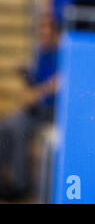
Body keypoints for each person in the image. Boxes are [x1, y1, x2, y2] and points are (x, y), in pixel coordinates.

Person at [0, 17, 60, 200]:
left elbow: (57, 83)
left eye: (46, 32)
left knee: (19, 128)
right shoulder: (43, 54)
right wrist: (26, 73)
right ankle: (4, 178)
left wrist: (38, 93)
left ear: (55, 34)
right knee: (5, 125)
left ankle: (21, 184)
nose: (43, 36)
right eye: (40, 33)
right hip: (36, 111)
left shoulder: (63, 55)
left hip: (52, 112)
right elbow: (36, 81)